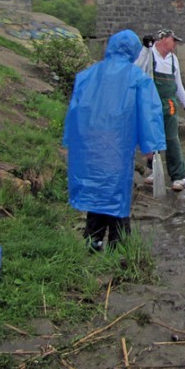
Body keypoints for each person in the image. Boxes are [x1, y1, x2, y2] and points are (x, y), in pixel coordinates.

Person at [63, 30, 166, 252]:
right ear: (133, 50)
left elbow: (74, 113)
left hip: (90, 148)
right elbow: (149, 115)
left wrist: (72, 141)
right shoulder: (138, 79)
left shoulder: (86, 76)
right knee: (116, 196)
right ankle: (118, 247)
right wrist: (152, 149)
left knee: (96, 194)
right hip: (117, 148)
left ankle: (93, 242)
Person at [135, 28, 185, 191]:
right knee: (151, 138)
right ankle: (153, 171)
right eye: (173, 40)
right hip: (150, 103)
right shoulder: (148, 54)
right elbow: (136, 69)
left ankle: (178, 176)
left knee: (172, 139)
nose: (175, 44)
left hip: (169, 104)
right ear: (163, 39)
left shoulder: (173, 60)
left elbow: (178, 84)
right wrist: (145, 48)